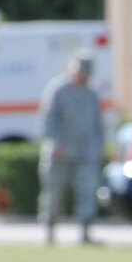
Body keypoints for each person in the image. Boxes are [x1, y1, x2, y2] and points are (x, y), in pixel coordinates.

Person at [38, 53, 104, 246]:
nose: (83, 78)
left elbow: (97, 125)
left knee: (87, 193)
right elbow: (48, 120)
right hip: (60, 153)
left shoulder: (92, 94)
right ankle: (49, 233)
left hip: (85, 154)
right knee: (53, 194)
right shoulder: (58, 90)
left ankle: (85, 233)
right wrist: (56, 142)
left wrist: (99, 148)